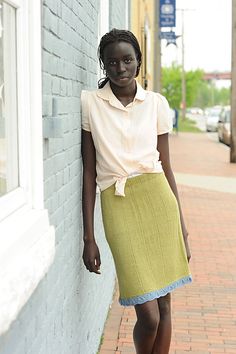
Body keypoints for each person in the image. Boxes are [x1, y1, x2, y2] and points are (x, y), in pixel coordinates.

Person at [81, 28, 192, 354]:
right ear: (104, 65)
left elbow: (166, 167)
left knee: (166, 306)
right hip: (118, 202)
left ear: (138, 63)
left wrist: (182, 229)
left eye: (127, 60)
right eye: (112, 62)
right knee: (149, 315)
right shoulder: (90, 104)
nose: (120, 68)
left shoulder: (156, 104)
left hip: (158, 200)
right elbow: (89, 173)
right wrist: (89, 237)